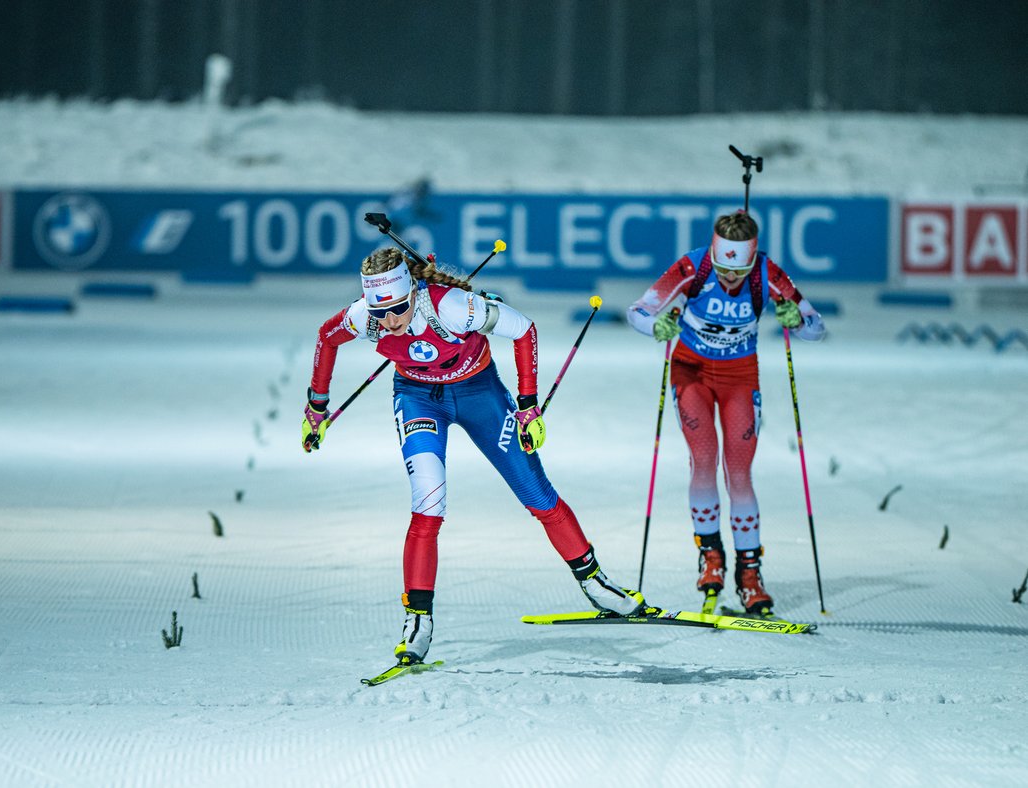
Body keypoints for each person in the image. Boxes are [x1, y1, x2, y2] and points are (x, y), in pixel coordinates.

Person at [303, 246, 648, 665]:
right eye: (380, 313)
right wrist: (316, 407)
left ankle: (596, 584)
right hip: (418, 399)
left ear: (412, 291)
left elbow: (525, 330)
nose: (389, 321)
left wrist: (527, 405)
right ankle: (418, 620)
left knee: (537, 494)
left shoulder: (452, 307)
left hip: (479, 394)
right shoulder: (365, 317)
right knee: (427, 502)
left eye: (397, 308)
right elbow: (326, 337)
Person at [626, 211, 825, 616]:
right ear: (713, 257)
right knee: (703, 461)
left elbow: (816, 326)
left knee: (739, 472)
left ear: (752, 262)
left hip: (739, 376)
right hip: (692, 371)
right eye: (722, 270)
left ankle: (749, 575)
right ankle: (711, 557)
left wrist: (798, 322)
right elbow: (638, 311)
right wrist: (657, 326)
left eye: (739, 272)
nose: (730, 280)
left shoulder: (766, 272)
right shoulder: (693, 266)